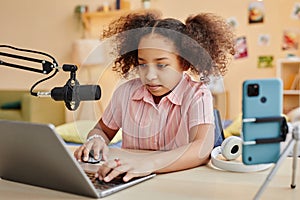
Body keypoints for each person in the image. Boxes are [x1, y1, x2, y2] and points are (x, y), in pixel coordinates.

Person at [74, 10, 235, 182]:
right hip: (129, 180)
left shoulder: (198, 95)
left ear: (185, 62)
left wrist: (148, 164)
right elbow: (101, 130)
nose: (149, 75)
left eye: (161, 65)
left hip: (180, 182)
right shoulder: (125, 93)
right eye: (142, 65)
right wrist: (96, 139)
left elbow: (201, 149)